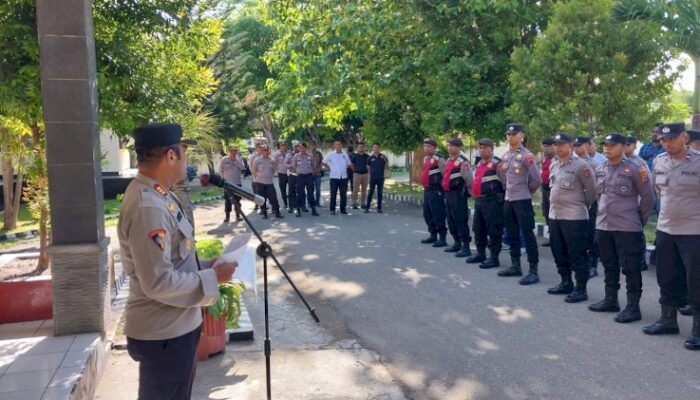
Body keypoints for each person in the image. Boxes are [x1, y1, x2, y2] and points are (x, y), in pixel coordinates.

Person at [119, 123, 237, 400]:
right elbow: (157, 280)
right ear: (171, 156)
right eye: (184, 152)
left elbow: (172, 258)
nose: (187, 159)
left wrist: (206, 266)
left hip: (172, 327)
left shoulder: (158, 193)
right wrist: (213, 279)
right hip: (164, 333)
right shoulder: (148, 205)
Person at [643, 122, 700, 351]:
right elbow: (660, 193)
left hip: (693, 232)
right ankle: (668, 320)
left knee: (695, 280)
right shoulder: (659, 161)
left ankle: (697, 330)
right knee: (666, 276)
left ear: (684, 138)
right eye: (663, 140)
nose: (667, 143)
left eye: (672, 139)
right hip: (666, 229)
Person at [588, 133, 654, 324]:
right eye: (605, 145)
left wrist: (637, 220)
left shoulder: (636, 168)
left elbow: (648, 197)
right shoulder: (601, 168)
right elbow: (599, 196)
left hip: (627, 227)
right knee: (609, 264)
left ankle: (633, 307)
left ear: (624, 147)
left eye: (612, 145)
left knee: (631, 268)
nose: (607, 148)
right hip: (604, 225)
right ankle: (611, 300)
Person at [546, 134, 597, 303]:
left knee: (577, 253)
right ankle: (565, 282)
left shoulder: (581, 165)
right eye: (556, 145)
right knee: (558, 251)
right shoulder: (555, 164)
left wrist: (581, 206)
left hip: (574, 216)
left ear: (570, 145)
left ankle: (581, 288)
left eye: (561, 144)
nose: (558, 147)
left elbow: (591, 191)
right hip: (555, 215)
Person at [496, 123, 542, 285]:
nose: (510, 137)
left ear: (521, 135)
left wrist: (525, 192)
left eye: (513, 134)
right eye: (508, 134)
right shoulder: (507, 155)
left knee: (527, 234)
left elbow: (537, 179)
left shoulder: (526, 155)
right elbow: (503, 174)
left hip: (522, 200)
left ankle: (533, 271)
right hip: (509, 199)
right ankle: (515, 265)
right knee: (511, 233)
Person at [467, 138, 504, 268]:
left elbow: (505, 183)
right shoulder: (479, 163)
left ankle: (494, 258)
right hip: (479, 201)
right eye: (480, 148)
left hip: (492, 201)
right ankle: (480, 254)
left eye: (485, 148)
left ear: (491, 149)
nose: (482, 150)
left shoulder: (497, 164)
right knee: (478, 229)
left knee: (493, 230)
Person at [441, 138, 473, 257]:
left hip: (458, 194)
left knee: (460, 219)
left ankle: (466, 246)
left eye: (452, 146)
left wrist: (469, 192)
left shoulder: (463, 162)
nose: (449, 147)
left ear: (459, 148)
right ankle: (456, 243)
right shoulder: (449, 160)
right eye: (448, 145)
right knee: (450, 219)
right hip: (448, 193)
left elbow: (469, 180)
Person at [574, 136, 600, 278]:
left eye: (580, 145)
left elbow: (597, 185)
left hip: (592, 202)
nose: (577, 148)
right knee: (578, 233)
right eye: (575, 146)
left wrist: (591, 203)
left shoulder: (594, 164)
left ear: (588, 146)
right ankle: (580, 263)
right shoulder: (571, 162)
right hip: (577, 203)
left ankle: (592, 264)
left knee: (591, 233)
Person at [624, 135, 650, 271]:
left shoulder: (640, 163)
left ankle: (641, 260)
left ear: (634, 145)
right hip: (623, 206)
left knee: (638, 232)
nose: (625, 147)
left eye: (628, 145)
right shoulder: (618, 162)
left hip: (637, 201)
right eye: (624, 144)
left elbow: (647, 188)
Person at [419, 138, 448, 248]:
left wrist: (442, 191)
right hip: (427, 190)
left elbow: (445, 175)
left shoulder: (439, 160)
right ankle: (433, 235)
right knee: (427, 213)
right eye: (425, 146)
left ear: (434, 148)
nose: (426, 148)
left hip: (437, 190)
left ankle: (442, 238)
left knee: (438, 214)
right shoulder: (425, 158)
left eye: (429, 146)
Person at [251, 145, 284, 219]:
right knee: (262, 199)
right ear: (262, 151)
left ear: (269, 151)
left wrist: (268, 175)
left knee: (273, 198)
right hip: (260, 182)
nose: (265, 152)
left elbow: (273, 170)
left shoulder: (272, 160)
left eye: (267, 150)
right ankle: (264, 213)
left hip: (269, 182)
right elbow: (254, 170)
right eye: (264, 150)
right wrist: (258, 177)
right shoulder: (257, 160)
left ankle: (277, 212)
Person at [323, 139, 352, 215]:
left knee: (343, 194)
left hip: (343, 177)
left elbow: (349, 164)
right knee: (333, 194)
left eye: (339, 144)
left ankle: (343, 209)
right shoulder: (331, 154)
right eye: (337, 144)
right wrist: (330, 168)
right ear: (334, 146)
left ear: (341, 145)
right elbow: (323, 162)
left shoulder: (345, 154)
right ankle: (332, 209)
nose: (338, 145)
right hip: (334, 177)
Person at [291, 143, 319, 217]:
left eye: (303, 148)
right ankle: (298, 210)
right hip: (300, 177)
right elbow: (294, 166)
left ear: (306, 148)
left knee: (311, 193)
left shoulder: (310, 156)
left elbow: (314, 165)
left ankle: (313, 209)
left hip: (309, 177)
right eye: (300, 148)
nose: (302, 149)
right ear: (299, 149)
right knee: (299, 194)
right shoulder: (296, 156)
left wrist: (314, 170)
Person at [218, 145, 244, 223]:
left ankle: (238, 216)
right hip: (227, 184)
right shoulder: (224, 159)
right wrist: (224, 180)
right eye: (232, 150)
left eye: (235, 151)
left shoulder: (239, 159)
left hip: (237, 183)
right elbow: (220, 170)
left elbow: (242, 168)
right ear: (229, 151)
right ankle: (227, 216)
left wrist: (235, 161)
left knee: (237, 200)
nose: (234, 152)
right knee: (228, 200)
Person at [365, 143, 389, 213]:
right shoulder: (370, 157)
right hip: (373, 178)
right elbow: (368, 167)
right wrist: (371, 174)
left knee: (380, 193)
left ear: (379, 148)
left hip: (381, 178)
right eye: (374, 147)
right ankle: (367, 207)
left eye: (377, 147)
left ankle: (379, 208)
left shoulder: (383, 156)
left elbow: (386, 165)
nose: (376, 149)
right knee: (370, 192)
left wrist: (385, 174)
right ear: (372, 148)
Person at [540, 138, 555, 247]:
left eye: (547, 146)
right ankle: (552, 237)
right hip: (545, 189)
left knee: (553, 214)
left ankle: (556, 238)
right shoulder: (545, 159)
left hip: (553, 189)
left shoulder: (557, 159)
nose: (545, 149)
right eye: (544, 146)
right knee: (546, 212)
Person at [351, 143, 370, 209]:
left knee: (364, 190)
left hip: (365, 175)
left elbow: (369, 165)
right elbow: (352, 165)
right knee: (355, 189)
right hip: (357, 175)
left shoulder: (367, 156)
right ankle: (354, 204)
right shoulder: (355, 156)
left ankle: (362, 204)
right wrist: (355, 171)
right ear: (357, 148)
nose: (361, 148)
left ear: (364, 148)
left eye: (362, 147)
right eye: (360, 147)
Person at [272, 140, 290, 211]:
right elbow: (273, 163)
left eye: (284, 145)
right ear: (279, 146)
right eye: (281, 145)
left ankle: (291, 203)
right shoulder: (277, 154)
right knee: (283, 189)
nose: (283, 146)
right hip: (281, 174)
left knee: (291, 189)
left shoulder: (290, 152)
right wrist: (277, 170)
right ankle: (285, 203)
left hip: (290, 174)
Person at [285, 140, 301, 213]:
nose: (296, 148)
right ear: (293, 147)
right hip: (292, 175)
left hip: (301, 176)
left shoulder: (302, 154)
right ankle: (291, 206)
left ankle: (301, 206)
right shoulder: (289, 154)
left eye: (297, 146)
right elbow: (285, 164)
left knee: (301, 192)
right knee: (291, 191)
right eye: (295, 146)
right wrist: (290, 166)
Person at [309, 141, 324, 207]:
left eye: (314, 145)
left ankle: (317, 202)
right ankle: (311, 202)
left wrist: (319, 169)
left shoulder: (319, 154)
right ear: (310, 146)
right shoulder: (308, 154)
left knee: (318, 189)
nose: (313, 146)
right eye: (312, 145)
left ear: (316, 146)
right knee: (310, 189)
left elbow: (322, 163)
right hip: (310, 174)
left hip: (318, 174)